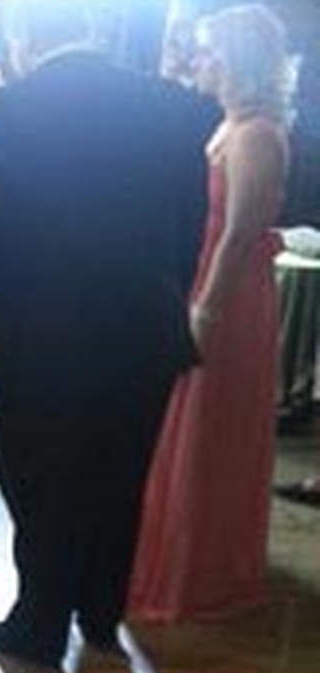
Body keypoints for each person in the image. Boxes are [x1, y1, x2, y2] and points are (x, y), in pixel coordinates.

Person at [0, 0, 216, 668]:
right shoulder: (174, 107)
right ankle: (101, 613)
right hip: (141, 333)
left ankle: (38, 625)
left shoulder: (5, 110)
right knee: (119, 476)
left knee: (38, 482)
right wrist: (161, 297)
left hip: (35, 340)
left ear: (22, 36)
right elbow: (190, 227)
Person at [130, 3, 293, 623]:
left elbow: (239, 234)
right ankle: (178, 555)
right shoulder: (230, 123)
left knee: (209, 430)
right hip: (208, 284)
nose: (198, 59)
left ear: (236, 59)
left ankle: (202, 570)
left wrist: (207, 309)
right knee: (187, 427)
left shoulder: (256, 135)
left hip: (230, 298)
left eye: (208, 50)